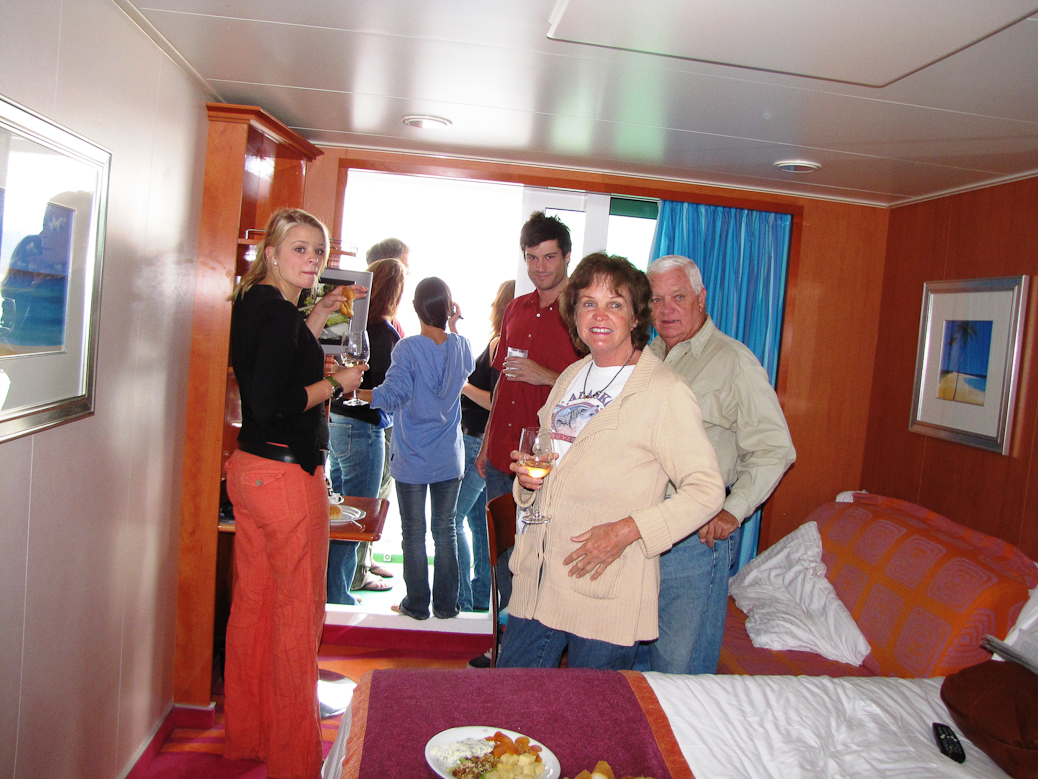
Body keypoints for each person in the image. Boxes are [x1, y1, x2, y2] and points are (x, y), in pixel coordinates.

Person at [496, 253, 725, 671]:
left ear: (636, 316)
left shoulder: (664, 391)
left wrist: (627, 531)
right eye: (588, 303)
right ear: (575, 313)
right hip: (539, 578)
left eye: (614, 304)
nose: (599, 315)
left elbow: (707, 491)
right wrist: (527, 481)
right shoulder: (570, 376)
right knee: (511, 696)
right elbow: (548, 461)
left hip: (604, 585)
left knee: (591, 709)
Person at [224, 208, 365, 779]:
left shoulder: (256, 303)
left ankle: (249, 735)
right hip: (285, 478)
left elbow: (274, 362)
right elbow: (272, 403)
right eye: (300, 249)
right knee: (295, 617)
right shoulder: (277, 313)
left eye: (319, 251)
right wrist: (335, 383)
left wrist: (320, 314)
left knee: (253, 607)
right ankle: (293, 759)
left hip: (250, 471)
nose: (312, 260)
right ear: (273, 252)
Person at [641, 254, 796, 674]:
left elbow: (775, 448)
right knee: (636, 664)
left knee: (679, 668)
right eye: (656, 300)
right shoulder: (646, 358)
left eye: (678, 297)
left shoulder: (733, 361)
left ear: (701, 298)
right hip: (643, 528)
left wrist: (732, 510)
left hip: (694, 538)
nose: (666, 309)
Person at [367, 277, 475, 620]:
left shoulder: (408, 348)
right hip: (449, 457)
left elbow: (393, 394)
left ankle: (416, 605)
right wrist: (453, 326)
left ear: (415, 308)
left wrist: (355, 391)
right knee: (446, 531)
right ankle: (446, 606)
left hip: (412, 456)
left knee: (413, 533)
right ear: (447, 308)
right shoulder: (461, 347)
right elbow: (465, 364)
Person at [325, 258, 406, 604]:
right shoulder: (385, 334)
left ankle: (330, 589)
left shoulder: (352, 327)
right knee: (358, 514)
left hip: (337, 422)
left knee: (337, 511)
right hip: (362, 427)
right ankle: (339, 594)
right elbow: (388, 392)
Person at [455, 279, 515, 612]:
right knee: (480, 524)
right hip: (484, 441)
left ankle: (461, 597)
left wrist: (462, 386)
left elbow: (495, 402)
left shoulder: (498, 344)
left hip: (477, 439)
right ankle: (480, 597)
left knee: (452, 519)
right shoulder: (503, 345)